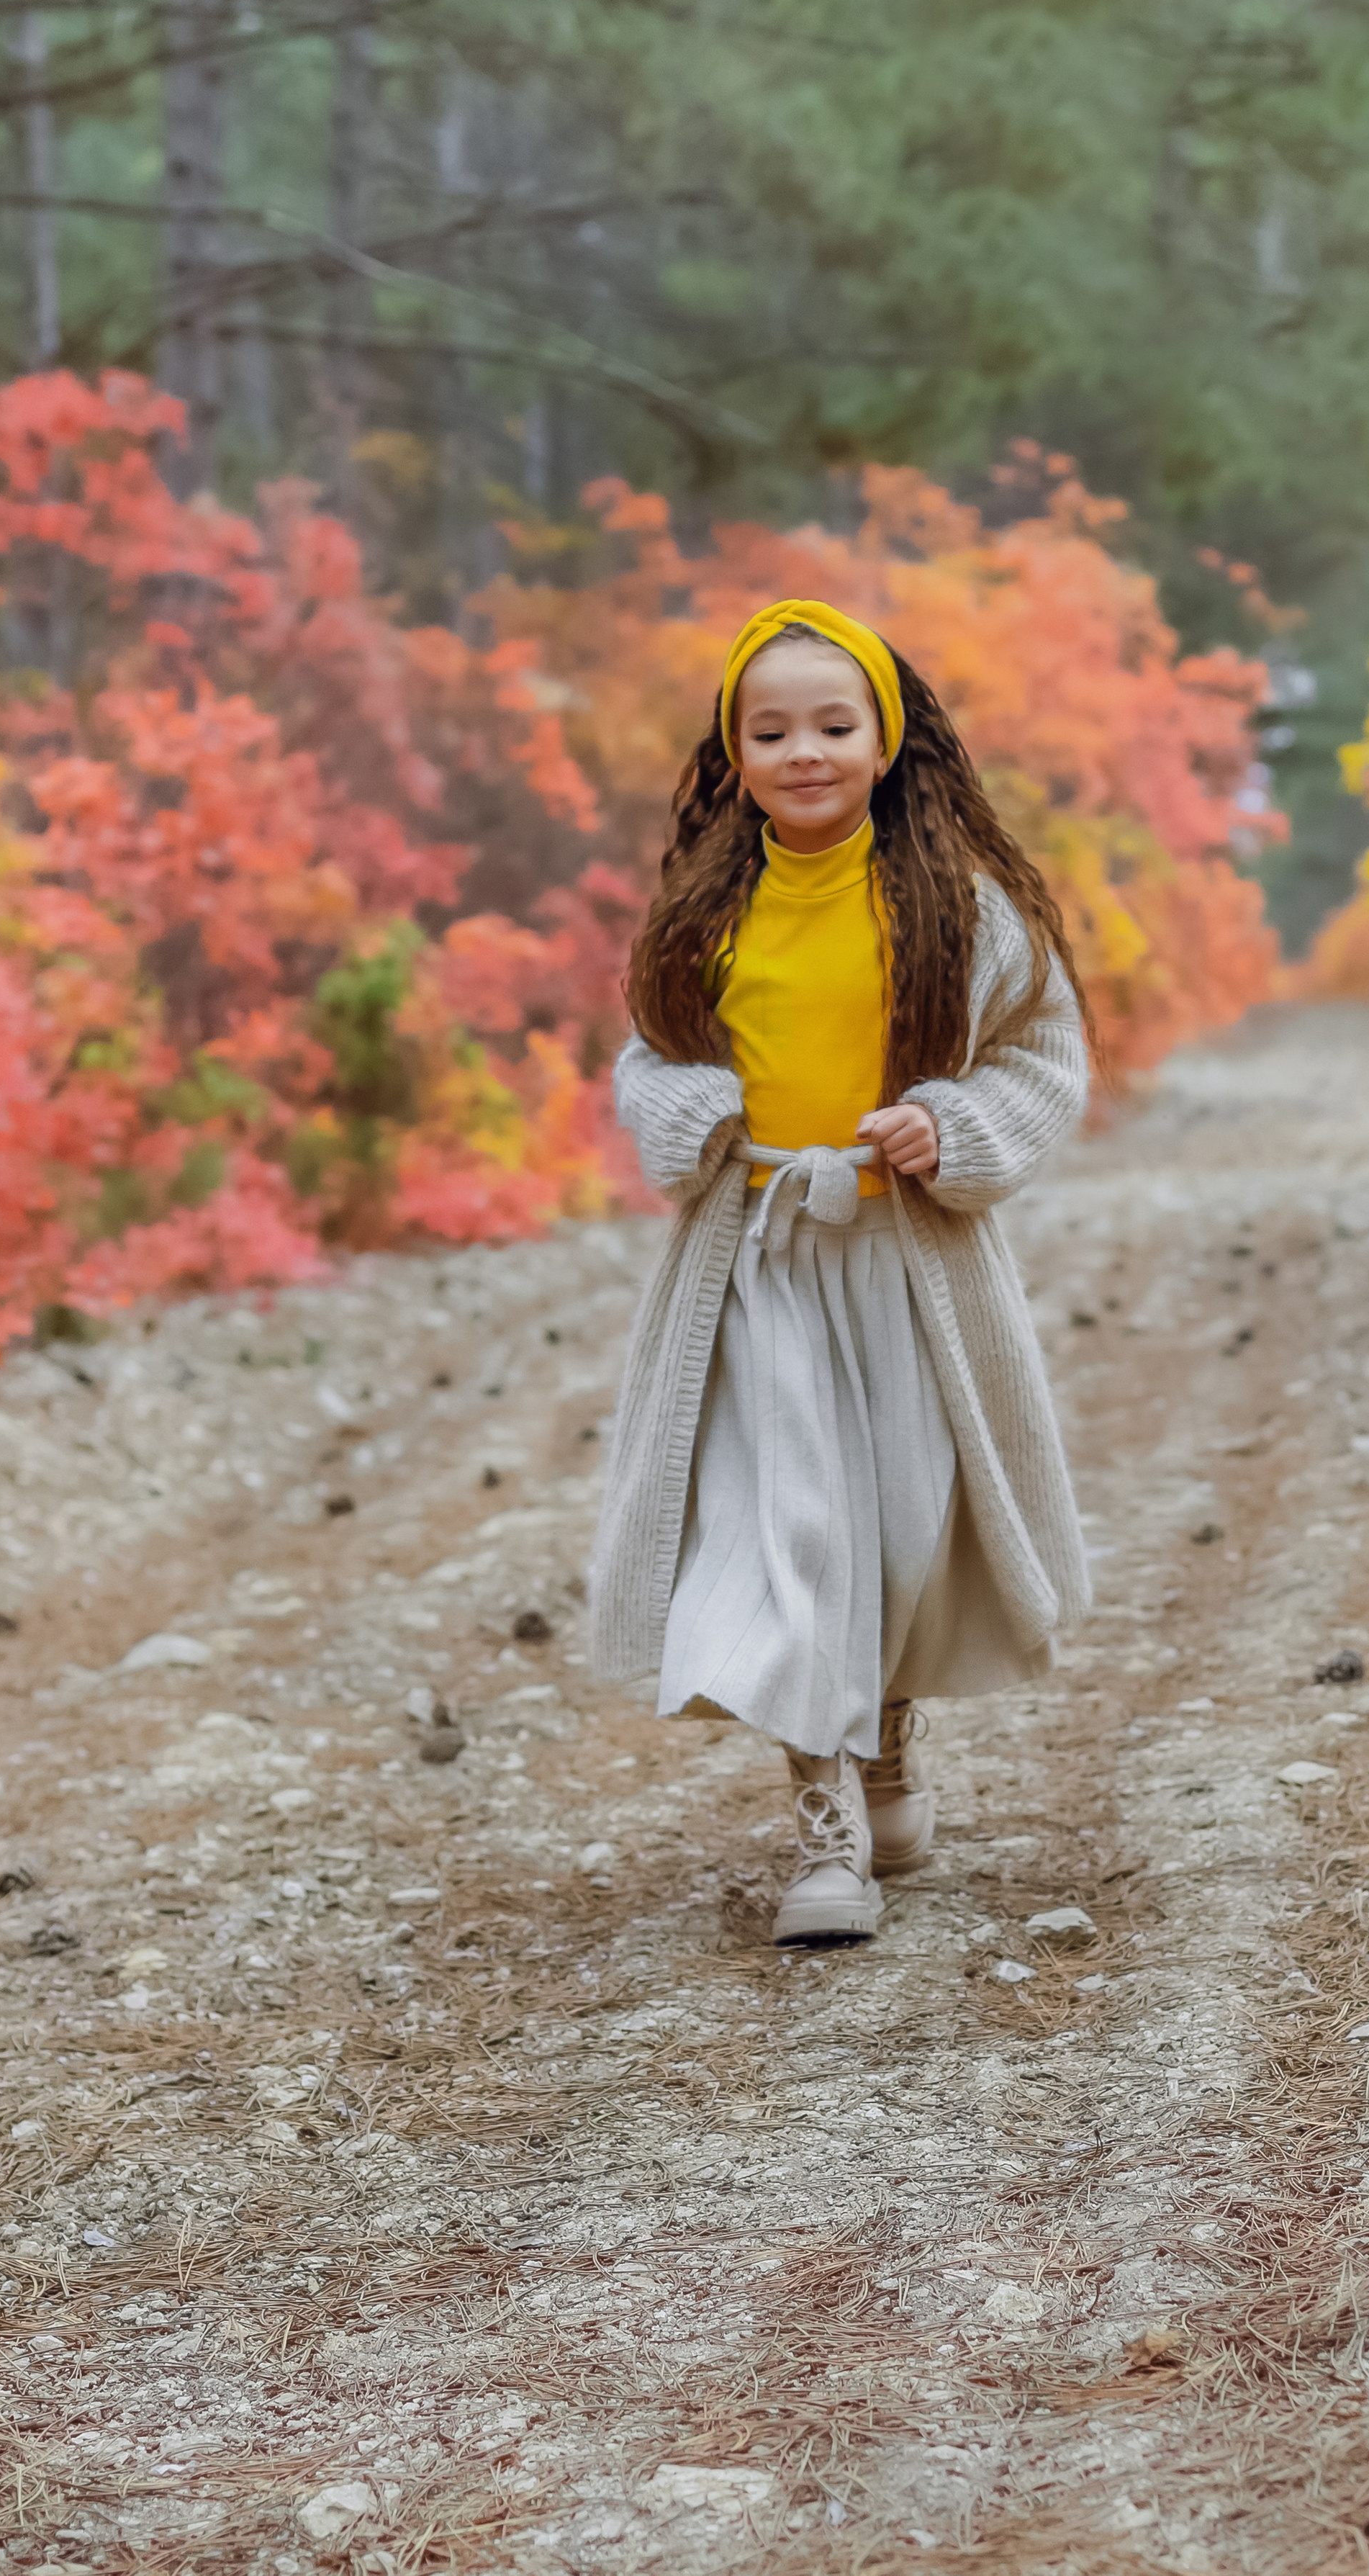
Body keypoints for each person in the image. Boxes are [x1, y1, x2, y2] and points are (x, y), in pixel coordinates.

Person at [589, 598, 1092, 1945]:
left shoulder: (961, 910)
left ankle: (884, 1745)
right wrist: (691, 1112)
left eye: (831, 724)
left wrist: (956, 1126)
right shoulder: (705, 913)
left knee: (904, 1530)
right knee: (793, 1537)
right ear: (734, 754)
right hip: (760, 1264)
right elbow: (650, 1057)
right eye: (770, 732)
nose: (802, 751)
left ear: (886, 740)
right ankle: (825, 1832)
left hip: (909, 1267)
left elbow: (1042, 1051)